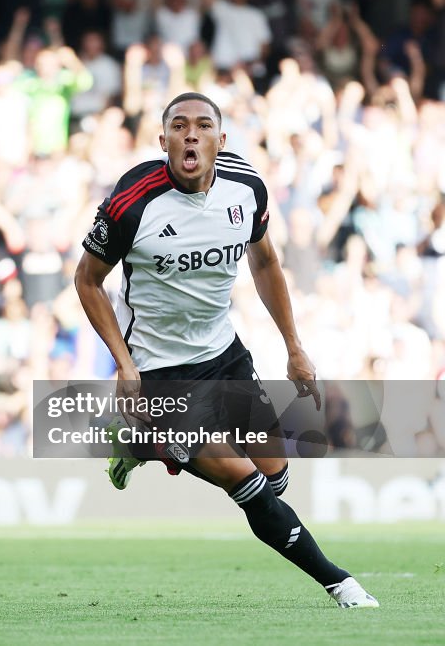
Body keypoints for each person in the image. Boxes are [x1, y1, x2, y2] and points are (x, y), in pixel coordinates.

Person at [73, 92, 379, 609]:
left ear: (221, 139)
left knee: (275, 475)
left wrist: (293, 347)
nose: (190, 134)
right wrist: (123, 364)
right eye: (178, 126)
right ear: (163, 139)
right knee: (245, 481)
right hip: (159, 373)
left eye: (202, 125)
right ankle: (341, 584)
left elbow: (265, 265)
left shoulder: (246, 189)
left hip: (224, 355)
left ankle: (136, 445)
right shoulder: (131, 202)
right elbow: (86, 281)